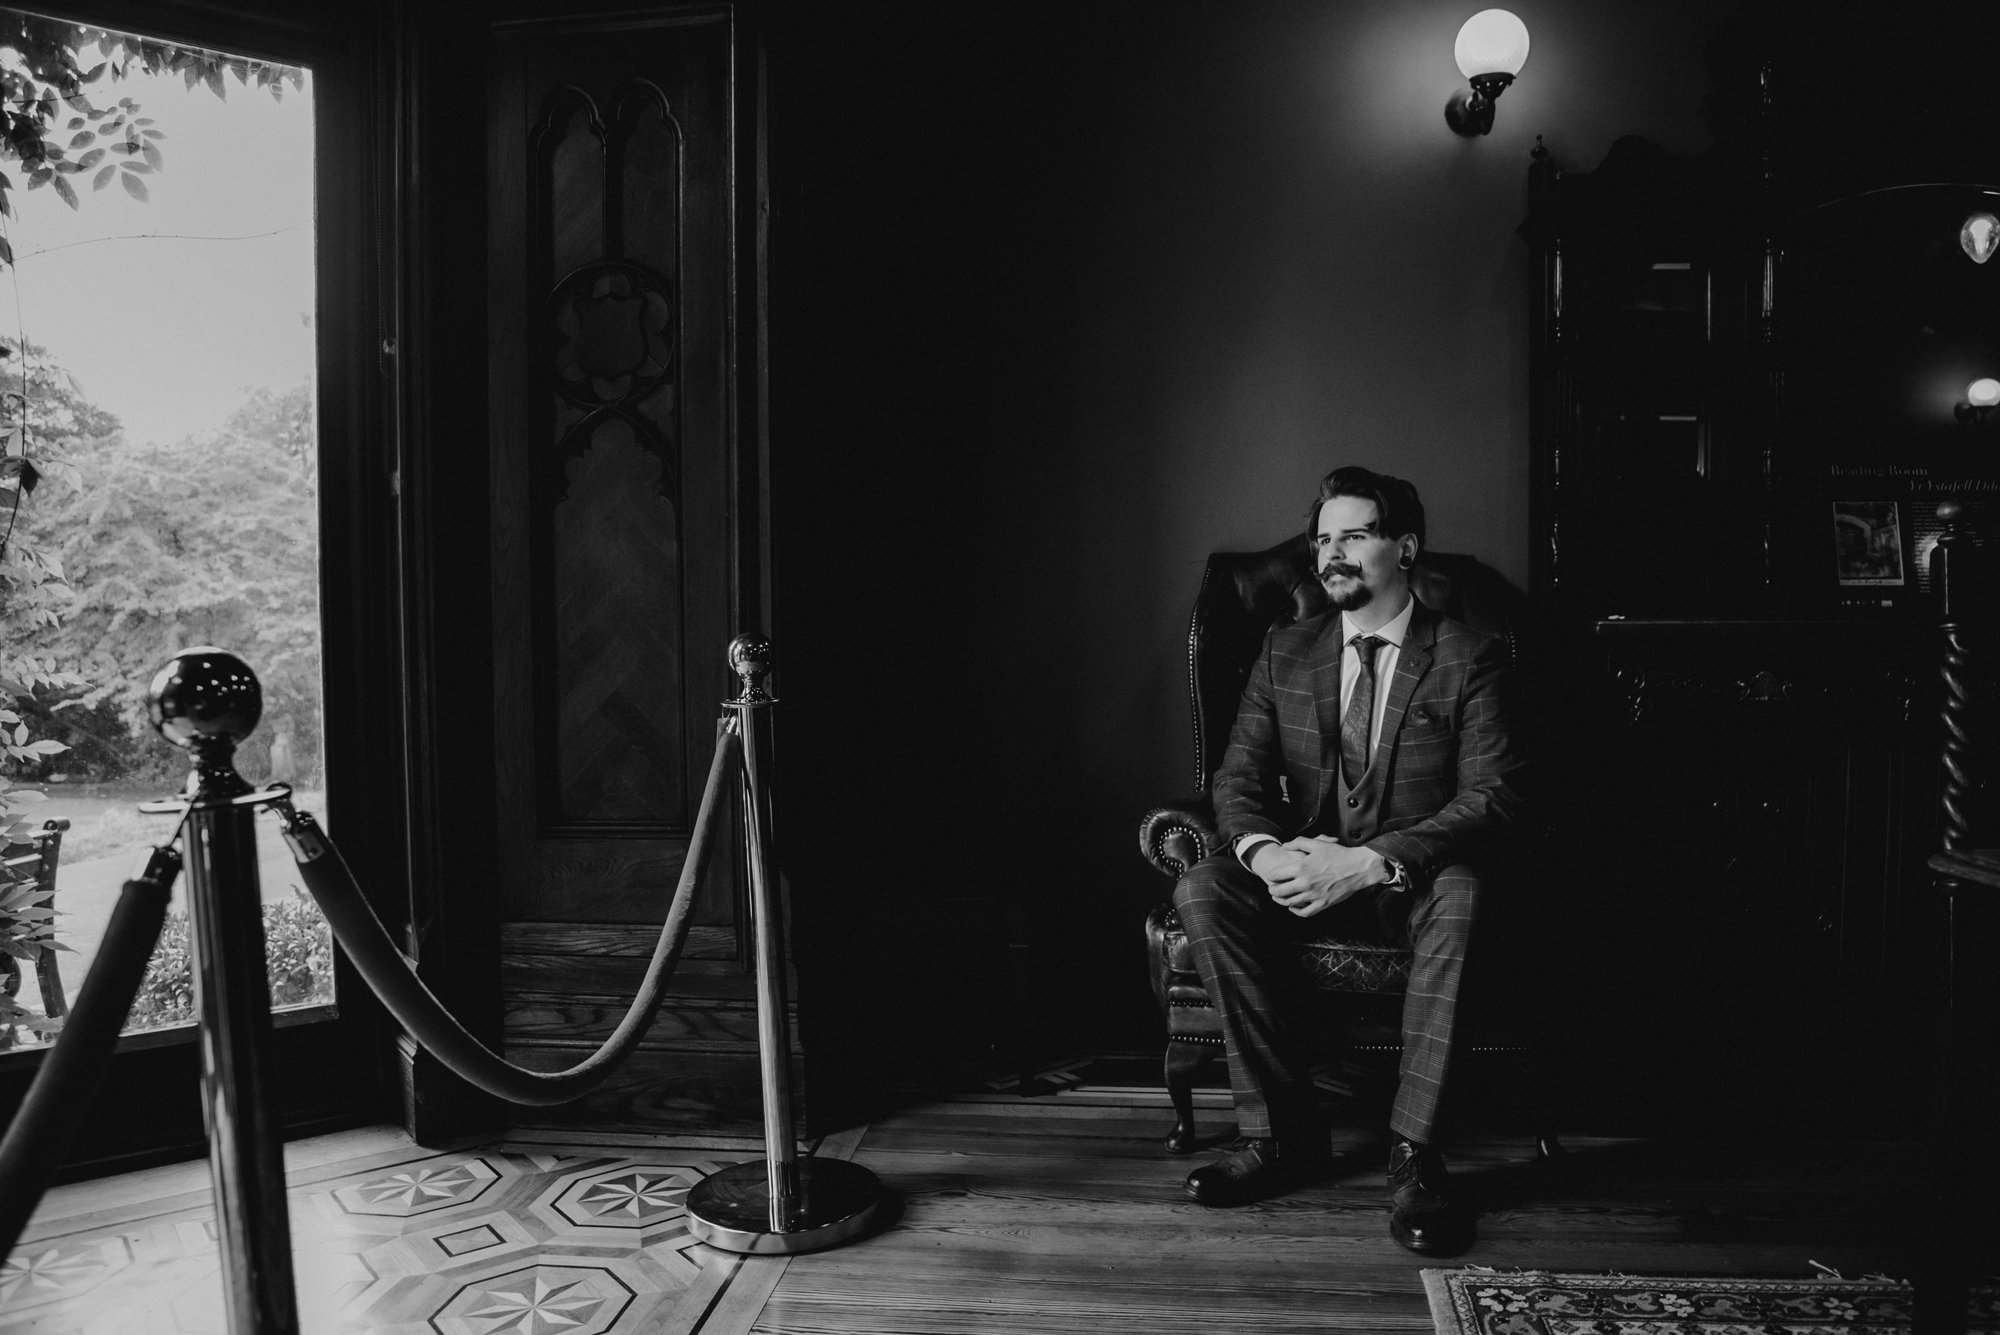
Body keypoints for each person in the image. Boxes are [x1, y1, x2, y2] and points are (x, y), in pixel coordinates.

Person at [1171, 465, 1525, 1256]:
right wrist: (1264, 855)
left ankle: (1416, 1155)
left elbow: (1493, 797)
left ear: (1404, 547)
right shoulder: (1285, 649)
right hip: (1300, 868)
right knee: (1204, 886)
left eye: (1354, 535)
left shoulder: (1470, 655)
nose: (1332, 554)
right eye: (1323, 538)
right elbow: (1236, 777)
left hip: (1413, 879)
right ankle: (1282, 1137)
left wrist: (1371, 862)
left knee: (1466, 890)